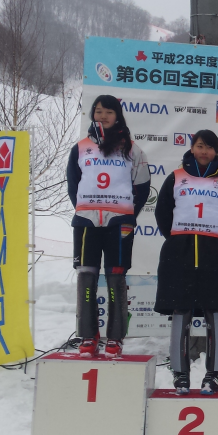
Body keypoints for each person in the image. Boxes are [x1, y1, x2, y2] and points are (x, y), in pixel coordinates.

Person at [154, 130, 218, 395]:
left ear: (217, 151)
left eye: (210, 147)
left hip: (214, 256)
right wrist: (176, 240)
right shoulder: (176, 177)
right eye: (200, 146)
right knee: (180, 312)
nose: (205, 151)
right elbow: (162, 212)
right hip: (179, 254)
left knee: (214, 311)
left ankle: (214, 373)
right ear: (192, 148)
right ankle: (180, 373)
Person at [66, 95, 150, 357]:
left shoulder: (132, 149)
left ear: (118, 116)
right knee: (86, 276)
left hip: (119, 224)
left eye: (108, 112)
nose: (102, 116)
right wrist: (87, 208)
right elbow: (73, 185)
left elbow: (143, 186)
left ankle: (115, 338)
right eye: (98, 111)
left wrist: (127, 214)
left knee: (116, 277)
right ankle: (88, 336)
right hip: (87, 223)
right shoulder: (80, 148)